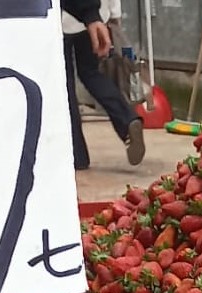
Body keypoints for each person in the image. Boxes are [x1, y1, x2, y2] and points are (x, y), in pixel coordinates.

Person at [62, 0, 145, 170]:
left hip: (64, 18)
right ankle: (127, 119)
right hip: (95, 17)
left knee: (64, 85)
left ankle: (77, 155)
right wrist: (114, 14)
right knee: (92, 73)